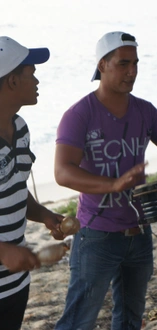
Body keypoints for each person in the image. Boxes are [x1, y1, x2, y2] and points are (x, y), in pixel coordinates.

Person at [54, 31, 157, 330]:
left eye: (136, 63)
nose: (132, 71)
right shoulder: (79, 114)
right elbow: (62, 172)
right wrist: (112, 185)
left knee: (130, 319)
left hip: (139, 232)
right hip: (96, 234)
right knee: (78, 321)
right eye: (124, 63)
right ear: (102, 64)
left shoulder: (144, 110)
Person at [0, 36, 66, 330]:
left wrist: (43, 215)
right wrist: (3, 252)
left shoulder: (21, 128)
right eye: (31, 73)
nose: (37, 80)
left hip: (15, 282)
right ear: (12, 81)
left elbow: (14, 187)